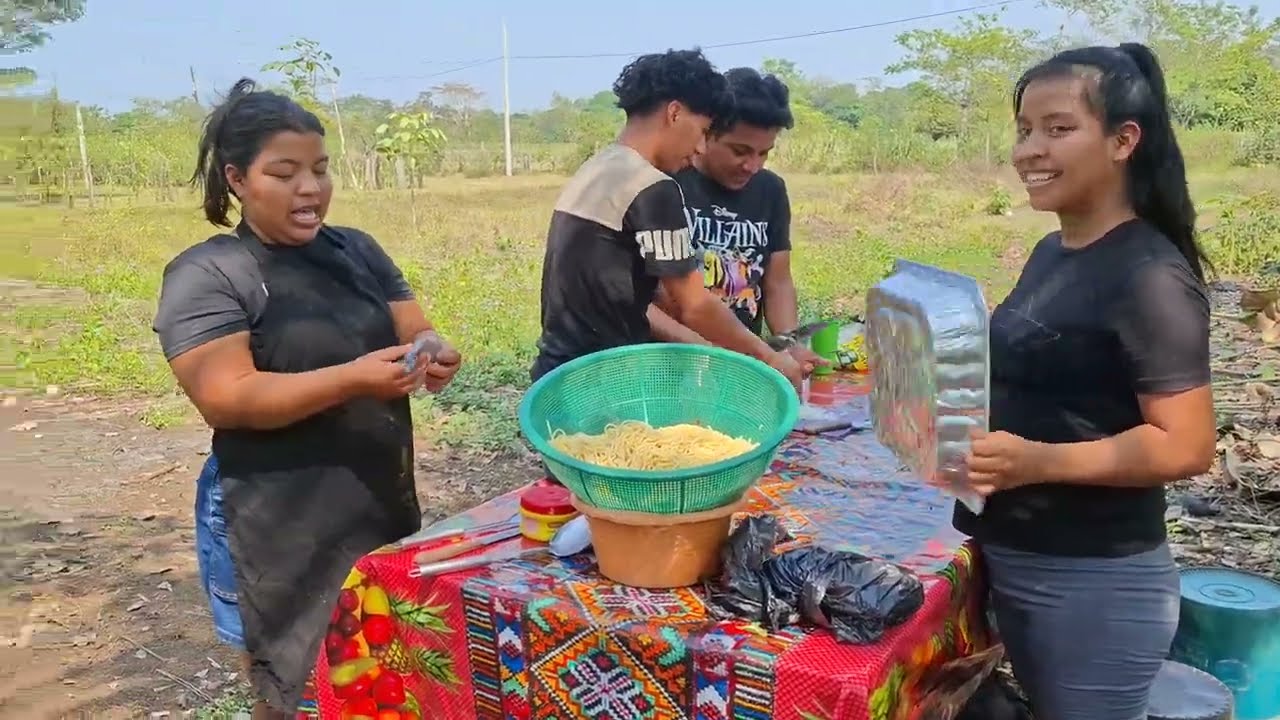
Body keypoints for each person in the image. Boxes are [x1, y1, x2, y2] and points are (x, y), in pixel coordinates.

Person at [153, 78, 462, 718]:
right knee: (290, 685)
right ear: (238, 180)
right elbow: (228, 397)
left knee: (384, 673)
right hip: (271, 515)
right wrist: (353, 378)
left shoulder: (358, 250)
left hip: (370, 499)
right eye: (285, 172)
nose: (310, 189)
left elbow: (413, 326)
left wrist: (431, 351)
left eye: (320, 170)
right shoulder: (208, 274)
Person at [953, 44, 1215, 720]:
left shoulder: (1149, 277)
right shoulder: (1053, 251)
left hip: (1091, 580)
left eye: (1058, 129)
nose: (1028, 150)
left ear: (1124, 140)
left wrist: (1038, 462)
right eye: (1024, 129)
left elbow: (1185, 445)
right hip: (1019, 553)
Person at [532, 49, 804, 389]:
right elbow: (695, 306)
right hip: (606, 379)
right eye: (703, 130)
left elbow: (621, 290)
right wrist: (769, 359)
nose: (701, 148)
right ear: (675, 113)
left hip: (561, 369)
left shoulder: (599, 167)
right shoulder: (651, 186)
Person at [648, 67, 820, 371]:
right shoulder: (668, 184)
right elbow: (648, 297)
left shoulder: (770, 190)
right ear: (708, 133)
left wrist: (788, 344)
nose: (751, 166)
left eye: (764, 153)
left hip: (744, 360)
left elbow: (777, 281)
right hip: (674, 360)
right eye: (740, 151)